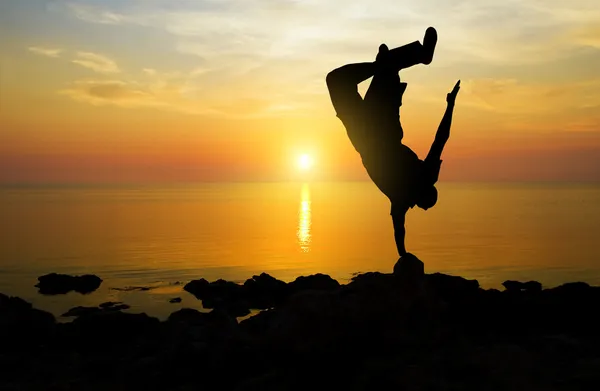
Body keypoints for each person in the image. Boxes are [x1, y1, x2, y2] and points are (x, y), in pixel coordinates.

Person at [326, 28, 460, 258]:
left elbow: (441, 138)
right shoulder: (407, 194)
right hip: (375, 130)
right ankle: (407, 58)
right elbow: (399, 230)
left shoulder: (404, 196)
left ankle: (391, 61)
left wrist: (450, 105)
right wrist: (403, 254)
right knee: (341, 78)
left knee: (343, 78)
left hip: (367, 133)